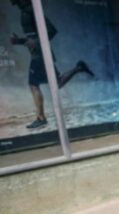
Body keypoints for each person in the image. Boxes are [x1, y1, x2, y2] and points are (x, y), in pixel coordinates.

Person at [9, 0, 93, 129]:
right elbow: (33, 38)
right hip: (39, 53)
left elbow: (51, 30)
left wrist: (35, 43)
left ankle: (41, 118)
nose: (13, 2)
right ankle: (79, 67)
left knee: (33, 85)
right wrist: (19, 41)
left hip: (40, 55)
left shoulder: (31, 10)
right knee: (56, 82)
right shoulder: (26, 11)